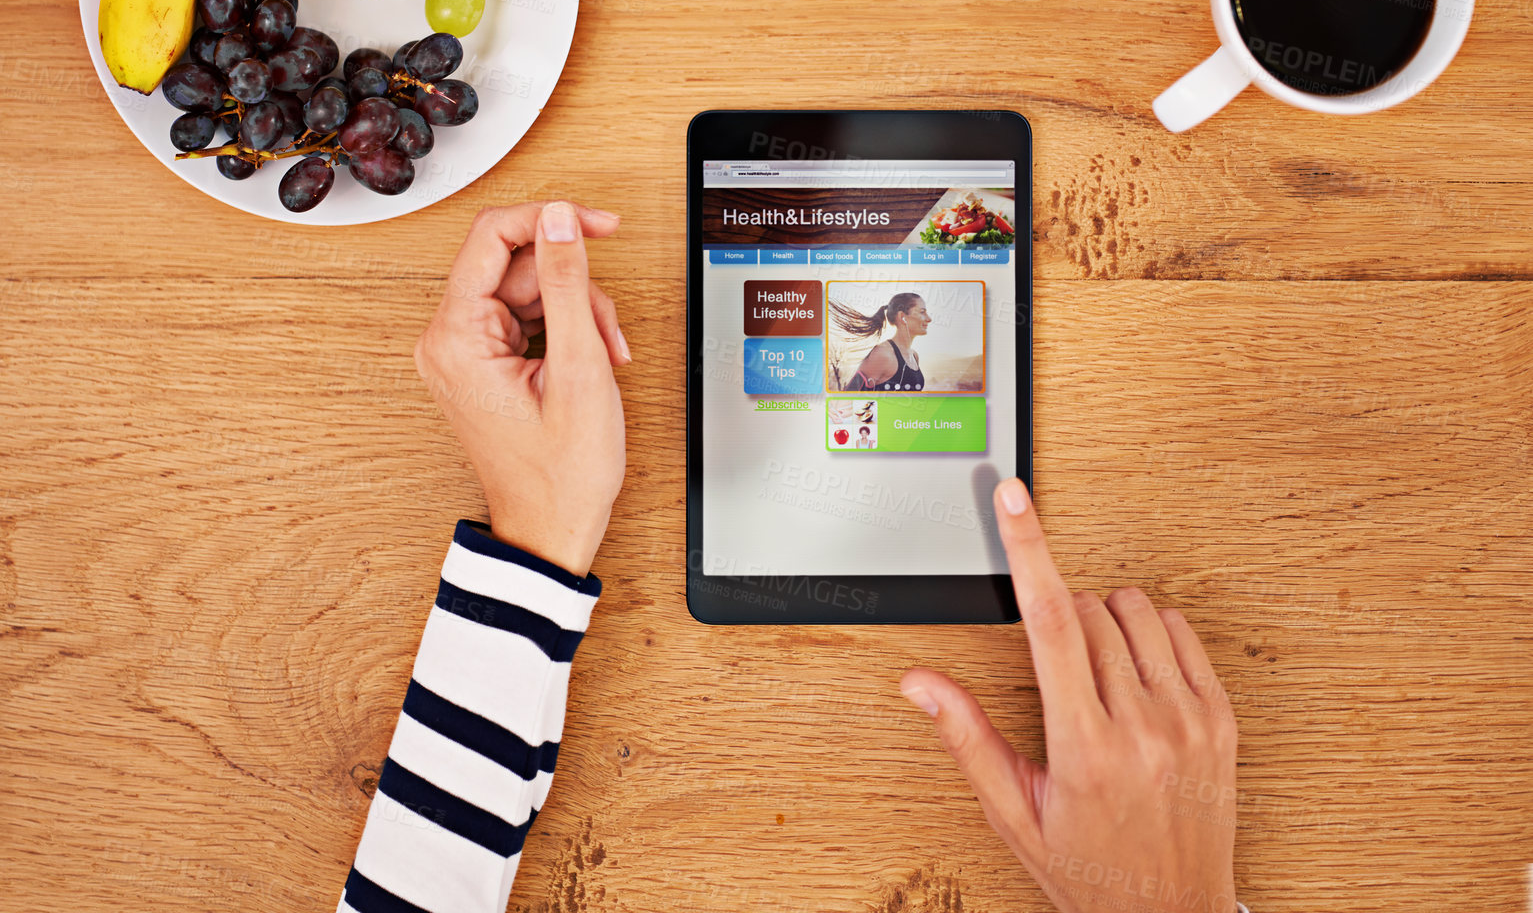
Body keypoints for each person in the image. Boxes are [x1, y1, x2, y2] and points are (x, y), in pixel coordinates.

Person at [337, 202, 1246, 913]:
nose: (928, 311)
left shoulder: (898, 364)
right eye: (922, 302)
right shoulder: (883, 368)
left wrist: (540, 537)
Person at [831, 291, 930, 391]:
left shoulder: (914, 355)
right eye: (922, 312)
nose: (929, 319)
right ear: (902, 317)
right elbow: (849, 396)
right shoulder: (883, 354)